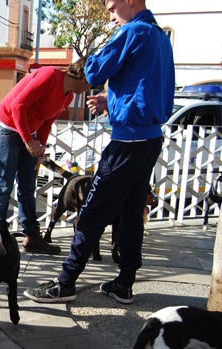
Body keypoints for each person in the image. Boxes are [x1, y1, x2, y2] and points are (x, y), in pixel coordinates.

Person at [24, 0, 174, 304]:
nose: (109, 15)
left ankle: (65, 283)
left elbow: (93, 70)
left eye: (111, 6)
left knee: (92, 212)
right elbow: (144, 85)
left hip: (128, 142)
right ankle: (124, 283)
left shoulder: (132, 31)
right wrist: (113, 101)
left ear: (130, 1)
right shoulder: (160, 36)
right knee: (132, 213)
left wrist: (102, 60)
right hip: (150, 138)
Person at [0, 56, 91, 255]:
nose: (89, 89)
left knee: (28, 186)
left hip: (29, 134)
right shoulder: (50, 75)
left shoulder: (68, 95)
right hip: (7, 128)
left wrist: (39, 152)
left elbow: (46, 123)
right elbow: (18, 106)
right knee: (4, 185)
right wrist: (28, 140)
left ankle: (32, 237)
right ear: (83, 76)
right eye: (90, 83)